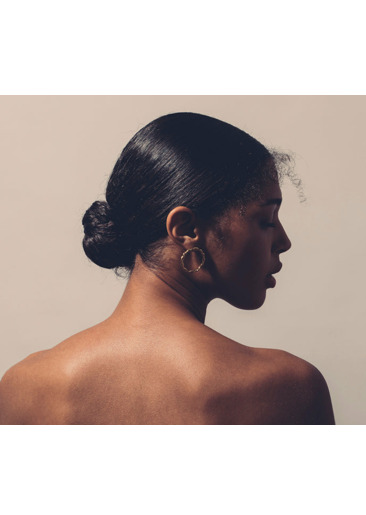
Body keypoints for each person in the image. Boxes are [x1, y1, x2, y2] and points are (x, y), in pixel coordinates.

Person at [0, 112, 335, 425]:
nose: (284, 241)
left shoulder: (23, 387)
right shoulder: (287, 388)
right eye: (267, 220)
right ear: (187, 228)